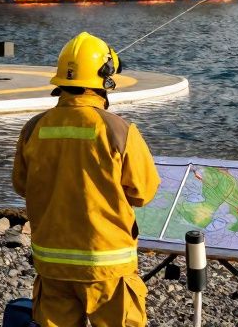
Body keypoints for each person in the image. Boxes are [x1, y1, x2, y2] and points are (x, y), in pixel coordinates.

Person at [13, 32, 160, 327]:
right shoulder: (119, 131)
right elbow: (143, 192)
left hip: (52, 265)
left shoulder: (33, 129)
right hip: (107, 266)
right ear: (105, 79)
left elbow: (21, 185)